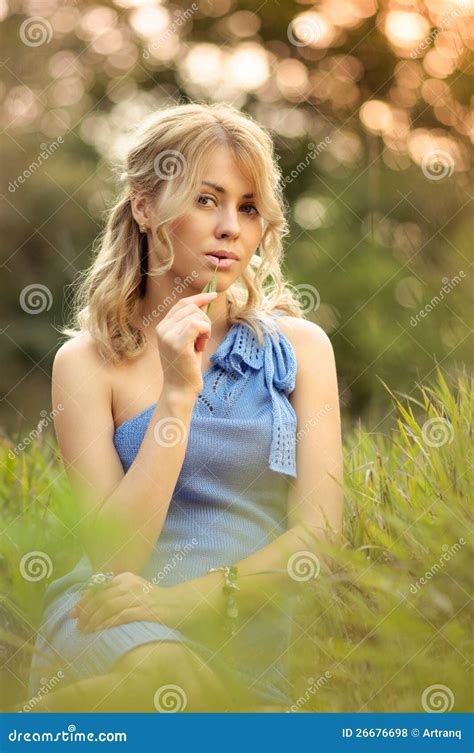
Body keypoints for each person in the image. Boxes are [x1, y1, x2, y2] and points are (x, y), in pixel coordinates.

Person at [27, 102, 343, 713]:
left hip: (244, 624)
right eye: (206, 199)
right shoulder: (88, 365)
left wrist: (194, 598)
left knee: (194, 696)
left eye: (248, 207)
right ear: (145, 206)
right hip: (114, 619)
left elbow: (322, 537)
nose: (230, 226)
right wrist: (176, 394)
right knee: (166, 678)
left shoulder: (302, 351)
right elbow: (116, 555)